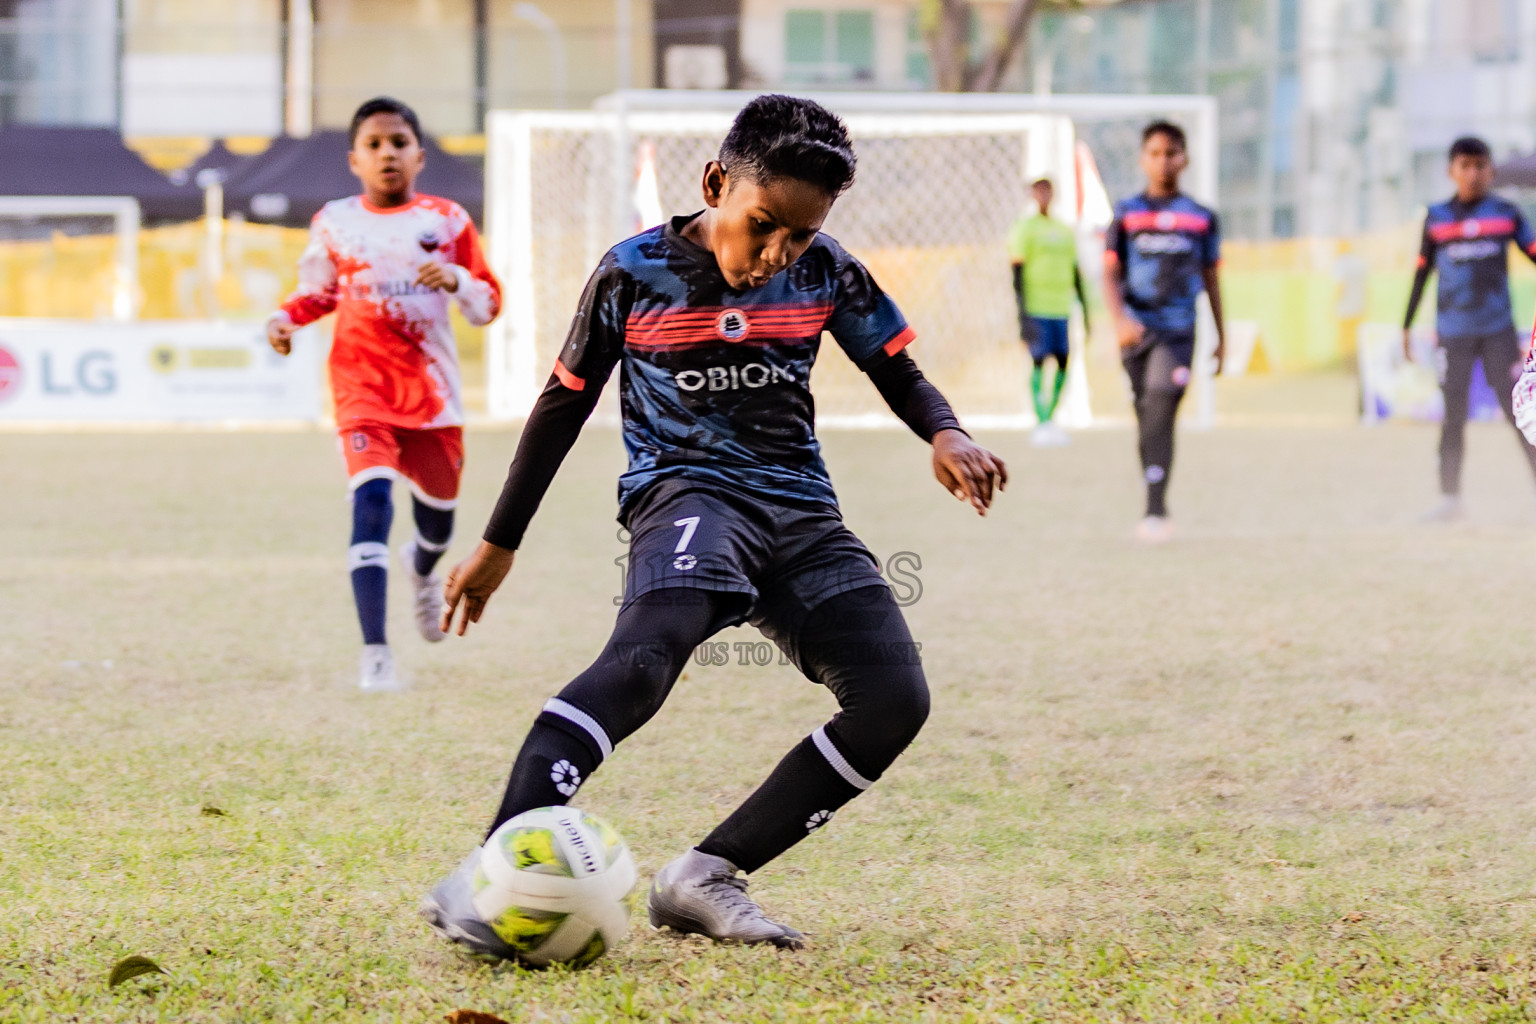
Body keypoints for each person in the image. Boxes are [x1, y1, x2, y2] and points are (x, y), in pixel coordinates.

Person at [420, 95, 1007, 955]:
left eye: (798, 237)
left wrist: (947, 430)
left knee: (893, 699)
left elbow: (896, 368)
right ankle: (490, 870)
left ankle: (704, 877)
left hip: (801, 511)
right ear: (715, 183)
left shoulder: (827, 272)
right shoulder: (633, 272)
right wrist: (498, 544)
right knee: (641, 665)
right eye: (763, 224)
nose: (776, 254)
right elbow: (560, 408)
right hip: (686, 497)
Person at [266, 97, 501, 691]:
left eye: (398, 142)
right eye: (373, 145)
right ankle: (376, 653)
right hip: (361, 389)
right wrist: (284, 320)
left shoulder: (447, 221)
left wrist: (458, 278)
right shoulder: (334, 222)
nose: (386, 153)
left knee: (438, 528)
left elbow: (488, 305)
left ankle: (421, 570)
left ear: (419, 155)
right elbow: (320, 293)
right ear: (354, 160)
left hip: (432, 395)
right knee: (371, 504)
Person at [1102, 121, 1225, 544]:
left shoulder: (1202, 217)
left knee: (1161, 401)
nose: (1163, 161)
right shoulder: (1127, 212)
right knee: (1145, 415)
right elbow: (1109, 274)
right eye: (1154, 153)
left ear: (1185, 158)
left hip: (1178, 333)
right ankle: (1153, 484)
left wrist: (1222, 337)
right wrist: (1119, 320)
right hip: (1136, 333)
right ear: (1143, 159)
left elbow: (1212, 278)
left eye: (1171, 153)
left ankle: (1156, 508)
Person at [1403, 135, 1536, 521]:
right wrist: (1405, 327)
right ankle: (1450, 499)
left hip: (1497, 332)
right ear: (1451, 171)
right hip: (1452, 333)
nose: (1473, 174)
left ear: (1491, 170)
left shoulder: (1506, 214)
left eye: (1480, 166)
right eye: (1465, 166)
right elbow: (1420, 274)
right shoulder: (1437, 218)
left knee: (1522, 413)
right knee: (1452, 414)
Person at [1006, 177, 1090, 445]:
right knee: (1039, 360)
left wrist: (1086, 311)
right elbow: (1016, 272)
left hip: (1061, 308)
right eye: (1038, 190)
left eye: (1048, 190)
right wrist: (1022, 314)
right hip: (1036, 307)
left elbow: (1076, 273)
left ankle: (1051, 417)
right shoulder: (1025, 229)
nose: (1044, 195)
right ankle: (1040, 421)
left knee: (1064, 360)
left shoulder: (1064, 230)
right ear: (1032, 194)